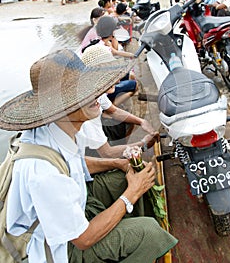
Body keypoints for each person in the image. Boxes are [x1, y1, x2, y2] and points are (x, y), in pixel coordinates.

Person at [0, 49, 178, 263]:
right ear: (59, 108)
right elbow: (82, 239)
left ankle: (124, 225)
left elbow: (72, 163)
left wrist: (118, 163)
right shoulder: (42, 172)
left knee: (122, 178)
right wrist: (132, 192)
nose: (96, 95)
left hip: (76, 203)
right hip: (60, 249)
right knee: (148, 232)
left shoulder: (57, 129)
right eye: (82, 93)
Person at [81, 45, 158, 151]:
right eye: (110, 76)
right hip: (87, 150)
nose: (117, 81)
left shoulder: (96, 90)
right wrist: (143, 144)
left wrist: (141, 121)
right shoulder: (88, 107)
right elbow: (107, 153)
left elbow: (113, 110)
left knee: (125, 123)